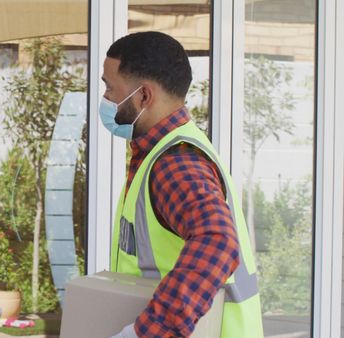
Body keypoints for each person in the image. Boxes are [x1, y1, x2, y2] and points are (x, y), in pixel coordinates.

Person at [101, 32, 264, 338]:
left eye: (110, 87)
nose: (106, 98)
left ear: (144, 96)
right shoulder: (165, 151)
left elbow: (218, 242)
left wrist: (147, 332)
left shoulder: (174, 163)